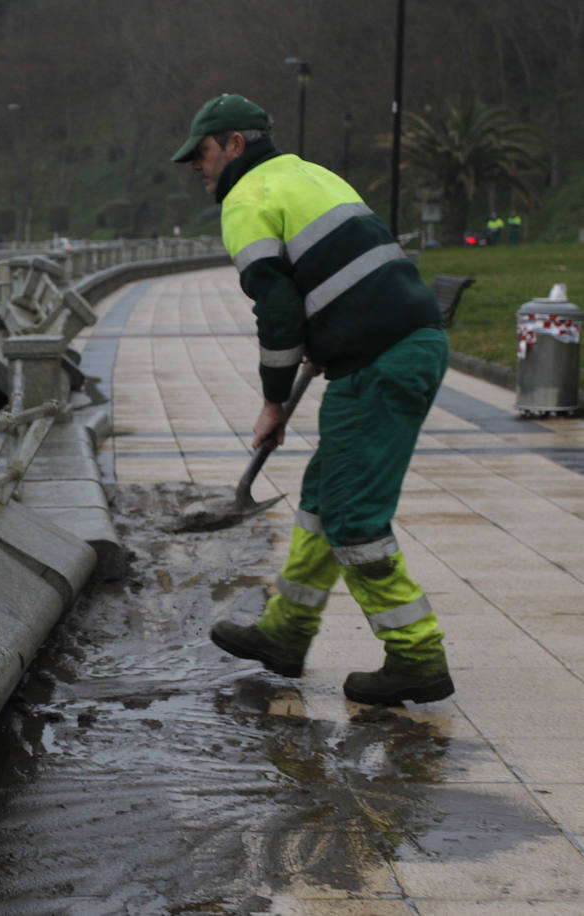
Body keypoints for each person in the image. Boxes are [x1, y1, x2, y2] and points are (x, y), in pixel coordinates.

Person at [171, 94, 453, 706]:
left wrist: (273, 403)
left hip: (381, 362)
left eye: (203, 152)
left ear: (236, 145)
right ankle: (286, 633)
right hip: (399, 345)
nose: (196, 165)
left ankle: (417, 656)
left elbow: (277, 311)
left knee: (354, 519)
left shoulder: (247, 200)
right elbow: (341, 269)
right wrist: (331, 332)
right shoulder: (309, 174)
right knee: (324, 501)